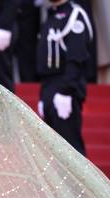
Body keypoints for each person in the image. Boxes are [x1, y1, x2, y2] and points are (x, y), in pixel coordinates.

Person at [36, 0, 94, 156]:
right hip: (49, 87)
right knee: (53, 153)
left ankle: (79, 182)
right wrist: (43, 95)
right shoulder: (51, 15)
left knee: (71, 149)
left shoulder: (75, 15)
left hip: (66, 88)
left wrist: (65, 91)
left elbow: (76, 58)